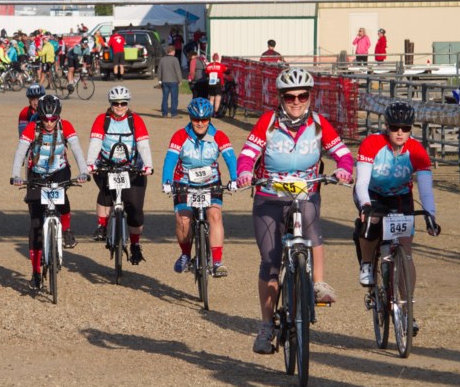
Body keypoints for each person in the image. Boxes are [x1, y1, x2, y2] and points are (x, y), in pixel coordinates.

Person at [235, 68, 354, 354]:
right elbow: (248, 154)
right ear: (280, 98)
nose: (297, 101)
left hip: (306, 191)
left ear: (310, 96)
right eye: (290, 97)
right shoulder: (268, 122)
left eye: (303, 95)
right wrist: (244, 173)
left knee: (313, 229)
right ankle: (266, 326)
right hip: (269, 195)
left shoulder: (318, 123)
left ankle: (319, 284)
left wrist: (344, 170)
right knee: (270, 262)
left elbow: (343, 153)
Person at [352, 101, 440, 336]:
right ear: (386, 126)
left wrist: (430, 216)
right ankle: (368, 263)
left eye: (405, 127)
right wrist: (366, 205)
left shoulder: (417, 150)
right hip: (373, 194)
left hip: (401, 197)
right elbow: (361, 182)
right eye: (394, 127)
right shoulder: (372, 144)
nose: (400, 132)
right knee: (371, 224)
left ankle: (406, 308)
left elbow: (425, 190)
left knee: (405, 251)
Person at [10, 95, 90, 289]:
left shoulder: (66, 126)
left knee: (63, 196)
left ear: (58, 117)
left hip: (59, 170)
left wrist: (84, 171)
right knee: (36, 224)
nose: (49, 123)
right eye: (45, 118)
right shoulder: (32, 127)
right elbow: (21, 151)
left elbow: (77, 149)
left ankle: (67, 230)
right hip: (37, 174)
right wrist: (15, 175)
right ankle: (36, 272)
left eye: (53, 119)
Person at [162, 98, 239, 277]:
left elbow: (230, 158)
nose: (200, 123)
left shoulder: (219, 136)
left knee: (215, 215)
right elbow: (170, 160)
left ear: (210, 119)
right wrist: (166, 181)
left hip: (210, 181)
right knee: (184, 220)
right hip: (184, 181)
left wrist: (234, 178)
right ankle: (185, 254)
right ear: (190, 118)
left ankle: (217, 261)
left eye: (204, 120)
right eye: (196, 119)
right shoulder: (180, 136)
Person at [85, 86, 154, 264]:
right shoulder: (102, 119)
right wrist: (90, 163)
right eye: (116, 103)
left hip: (132, 166)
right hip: (107, 164)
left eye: (123, 103)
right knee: (106, 192)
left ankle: (136, 245)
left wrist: (148, 165)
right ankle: (101, 226)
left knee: (135, 207)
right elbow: (95, 143)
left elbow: (143, 144)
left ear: (127, 103)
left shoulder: (135, 119)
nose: (119, 106)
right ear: (111, 104)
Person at [158, 46, 183, 118]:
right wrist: (180, 80)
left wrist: (159, 80)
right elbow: (177, 70)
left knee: (165, 98)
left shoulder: (162, 59)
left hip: (164, 80)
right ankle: (173, 113)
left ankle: (164, 113)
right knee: (174, 98)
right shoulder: (175, 59)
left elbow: (159, 70)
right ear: (172, 52)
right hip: (173, 81)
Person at [205, 53, 227, 117]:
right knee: (218, 98)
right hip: (218, 83)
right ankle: (216, 112)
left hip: (211, 83)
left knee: (211, 98)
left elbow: (206, 73)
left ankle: (210, 112)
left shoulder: (209, 66)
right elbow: (227, 71)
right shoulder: (221, 65)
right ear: (218, 58)